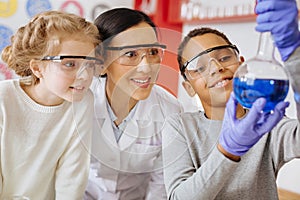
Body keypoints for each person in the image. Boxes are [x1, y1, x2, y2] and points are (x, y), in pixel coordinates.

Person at [162, 0, 300, 199]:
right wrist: (227, 151)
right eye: (199, 67)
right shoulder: (180, 127)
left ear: (242, 65)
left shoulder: (264, 123)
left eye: (225, 57)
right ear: (189, 87)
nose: (216, 67)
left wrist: (295, 55)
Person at [0, 11, 102, 200]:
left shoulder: (82, 103)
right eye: (70, 64)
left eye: (89, 64)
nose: (84, 76)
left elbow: (72, 178)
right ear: (37, 68)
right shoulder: (3, 100)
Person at [84, 8, 182, 200]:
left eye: (153, 52)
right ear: (101, 61)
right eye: (130, 54)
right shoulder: (80, 101)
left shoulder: (170, 110)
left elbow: (161, 183)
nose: (146, 68)